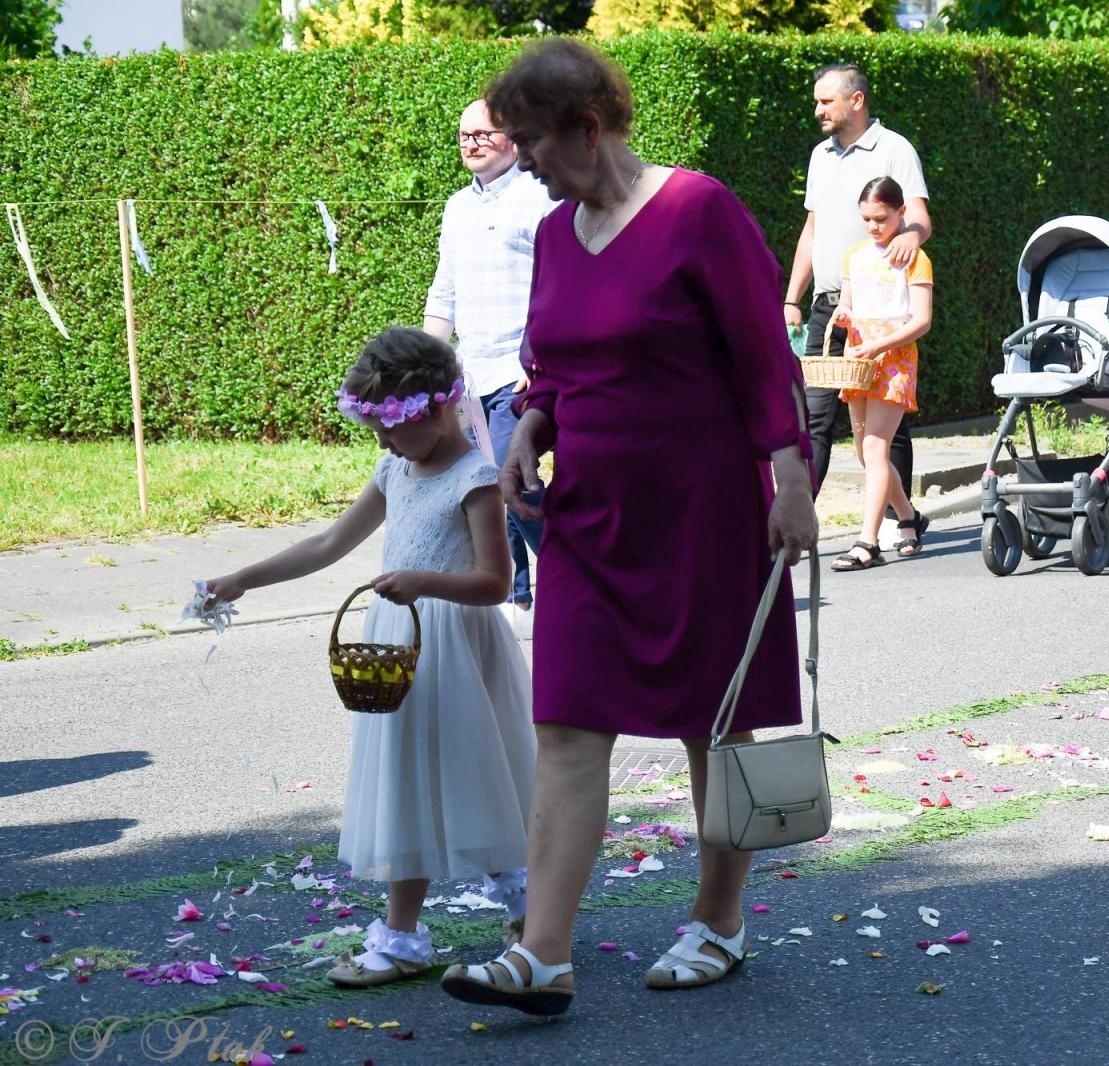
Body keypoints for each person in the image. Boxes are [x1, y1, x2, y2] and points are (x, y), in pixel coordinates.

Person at [439, 38, 817, 1016]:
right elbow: (550, 358)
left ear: (589, 125)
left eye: (529, 140)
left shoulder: (698, 211)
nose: (519, 159)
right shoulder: (559, 233)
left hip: (704, 510)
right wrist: (530, 421)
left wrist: (790, 474)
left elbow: (760, 352)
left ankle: (719, 924)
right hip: (590, 518)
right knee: (565, 720)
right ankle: (542, 955)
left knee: (714, 721)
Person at [201, 327, 536, 986]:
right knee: (407, 785)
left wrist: (424, 582)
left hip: (457, 646)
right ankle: (404, 935)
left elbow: (496, 583)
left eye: (391, 426)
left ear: (439, 411)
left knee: (475, 776)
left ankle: (527, 903)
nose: (381, 441)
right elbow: (328, 545)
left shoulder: (474, 480)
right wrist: (243, 577)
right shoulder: (394, 469)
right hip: (400, 647)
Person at [783, 62, 931, 547]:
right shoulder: (819, 156)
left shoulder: (895, 149)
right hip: (833, 306)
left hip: (881, 308)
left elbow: (919, 218)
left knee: (884, 427)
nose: (818, 109)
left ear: (856, 101)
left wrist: (910, 235)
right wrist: (792, 297)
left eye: (826, 101)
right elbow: (812, 230)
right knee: (816, 416)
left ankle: (896, 522)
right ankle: (800, 521)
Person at [424, 98, 556, 628]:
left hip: (519, 372)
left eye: (483, 133)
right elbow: (444, 295)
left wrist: (541, 354)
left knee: (515, 479)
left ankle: (581, 581)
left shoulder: (540, 197)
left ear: (513, 138)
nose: (472, 143)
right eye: (464, 136)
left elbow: (559, 287)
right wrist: (427, 366)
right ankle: (513, 596)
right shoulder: (457, 207)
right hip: (469, 376)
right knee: (483, 485)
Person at [831, 176, 934, 571]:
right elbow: (848, 305)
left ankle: (867, 541)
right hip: (859, 356)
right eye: (867, 219)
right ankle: (908, 517)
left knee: (875, 448)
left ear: (901, 213)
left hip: (893, 356)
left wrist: (882, 344)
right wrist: (844, 316)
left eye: (881, 218)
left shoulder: (914, 257)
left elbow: (921, 320)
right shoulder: (854, 256)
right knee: (863, 451)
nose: (873, 227)